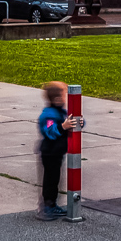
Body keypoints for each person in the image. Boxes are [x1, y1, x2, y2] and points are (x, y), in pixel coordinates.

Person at [36, 81, 84, 220]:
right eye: (63, 96)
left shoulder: (60, 112)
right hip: (50, 153)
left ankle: (52, 205)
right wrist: (63, 126)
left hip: (56, 153)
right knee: (50, 181)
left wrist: (79, 122)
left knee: (54, 180)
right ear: (56, 98)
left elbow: (71, 121)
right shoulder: (49, 114)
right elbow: (49, 131)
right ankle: (47, 208)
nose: (65, 99)